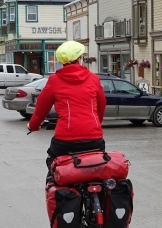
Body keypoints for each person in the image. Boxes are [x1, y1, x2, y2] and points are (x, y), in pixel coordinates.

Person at [28, 41, 107, 181]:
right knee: (97, 167)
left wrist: (33, 125)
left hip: (65, 140)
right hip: (94, 138)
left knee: (54, 165)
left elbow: (41, 108)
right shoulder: (94, 79)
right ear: (79, 59)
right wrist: (95, 124)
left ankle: (59, 194)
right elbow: (101, 105)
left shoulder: (54, 80)